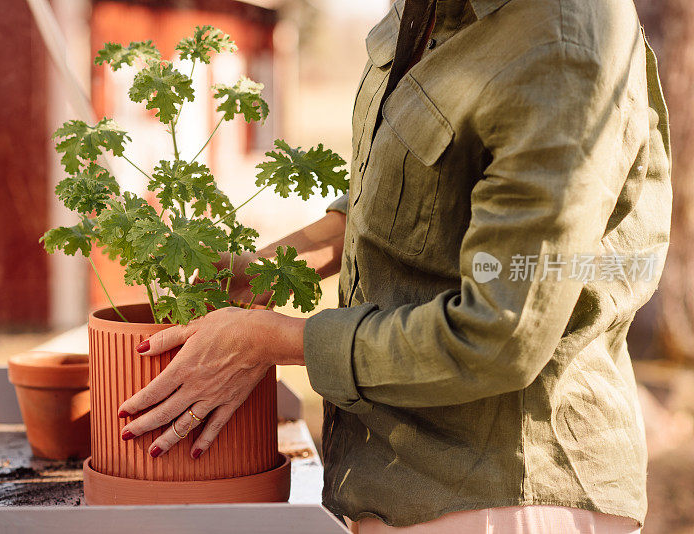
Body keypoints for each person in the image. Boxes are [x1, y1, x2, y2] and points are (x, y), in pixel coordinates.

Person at [115, 0, 671, 531]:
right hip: (395, 484)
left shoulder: (559, 41)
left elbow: (499, 337)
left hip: (501, 496)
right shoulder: (427, 9)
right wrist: (266, 268)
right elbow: (420, 189)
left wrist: (270, 342)